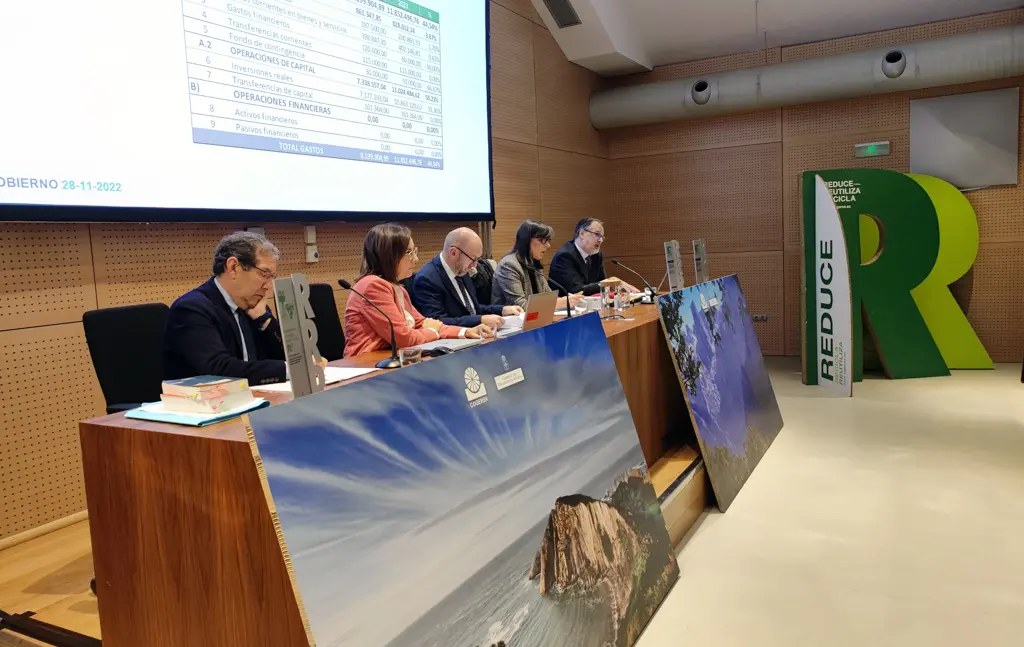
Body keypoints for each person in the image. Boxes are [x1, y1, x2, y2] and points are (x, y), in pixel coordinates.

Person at [344, 223, 493, 358]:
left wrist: (465, 332)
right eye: (409, 252)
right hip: (366, 367)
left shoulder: (398, 289)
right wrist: (433, 332)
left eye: (414, 251)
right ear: (389, 255)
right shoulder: (372, 286)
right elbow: (404, 338)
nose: (415, 259)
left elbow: (422, 323)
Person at [163, 231, 287, 385]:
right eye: (264, 274)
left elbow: (285, 357)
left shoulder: (252, 305)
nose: (268, 286)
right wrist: (287, 370)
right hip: (204, 404)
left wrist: (264, 320)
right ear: (233, 267)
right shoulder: (192, 309)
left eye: (272, 277)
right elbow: (218, 368)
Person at [413, 227, 523, 328]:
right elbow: (437, 322)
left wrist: (502, 310)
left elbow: (471, 308)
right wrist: (480, 320)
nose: (475, 266)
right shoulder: (427, 279)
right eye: (473, 259)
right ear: (453, 253)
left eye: (478, 259)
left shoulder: (461, 268)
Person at [491, 220, 585, 311]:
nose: (548, 245)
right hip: (509, 323)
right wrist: (561, 302)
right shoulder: (509, 265)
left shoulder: (533, 263)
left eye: (548, 241)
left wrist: (569, 300)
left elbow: (548, 297)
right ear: (527, 240)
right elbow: (520, 306)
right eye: (543, 240)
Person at [548, 218, 639, 296]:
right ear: (582, 233)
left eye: (602, 237)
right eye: (597, 234)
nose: (600, 240)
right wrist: (609, 283)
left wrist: (613, 287)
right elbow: (576, 290)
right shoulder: (565, 256)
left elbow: (601, 284)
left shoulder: (596, 255)